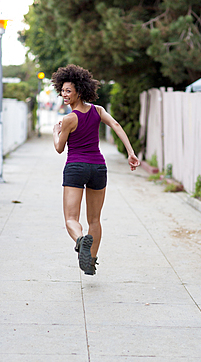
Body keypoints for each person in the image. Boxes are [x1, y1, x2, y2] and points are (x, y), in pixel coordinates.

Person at [52, 64, 140, 276]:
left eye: (68, 91)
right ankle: (91, 261)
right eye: (62, 90)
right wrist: (130, 152)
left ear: (79, 91)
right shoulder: (98, 111)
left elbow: (59, 148)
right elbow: (116, 125)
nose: (64, 95)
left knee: (71, 219)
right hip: (98, 168)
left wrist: (56, 132)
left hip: (75, 167)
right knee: (95, 220)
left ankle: (81, 240)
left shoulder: (69, 119)